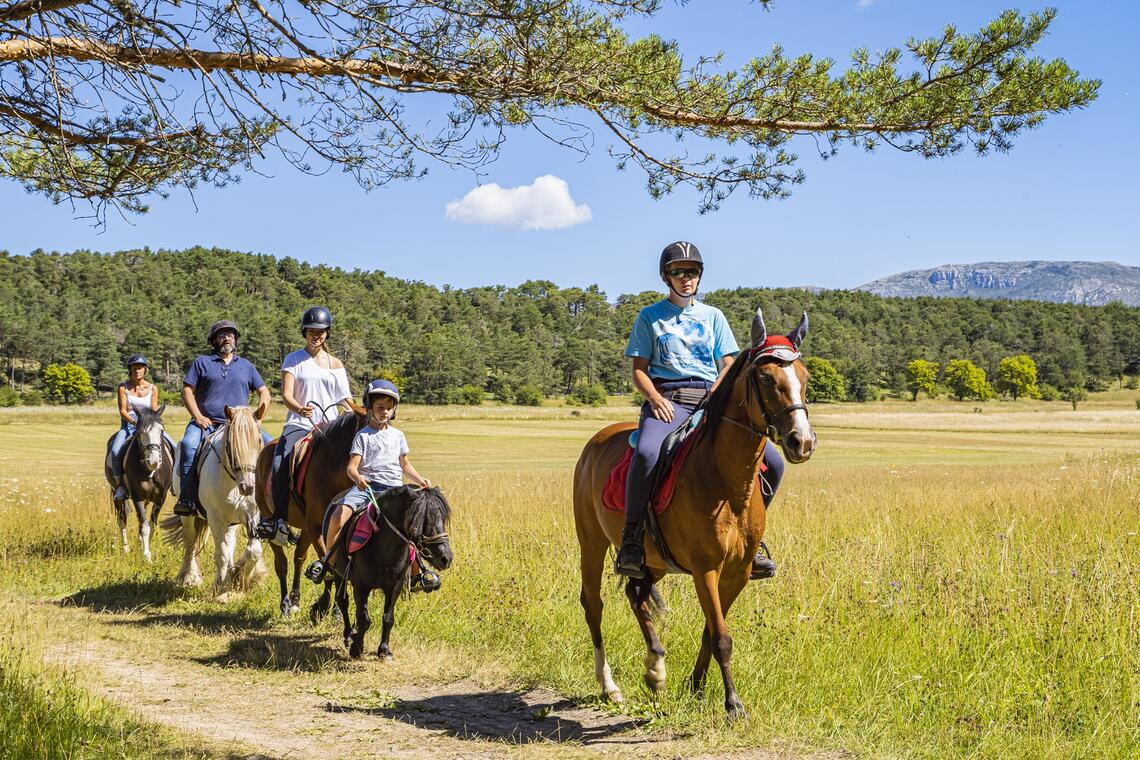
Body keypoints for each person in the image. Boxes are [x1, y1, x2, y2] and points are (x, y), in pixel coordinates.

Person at [613, 241, 784, 580]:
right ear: (667, 277)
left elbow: (729, 363)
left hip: (710, 399)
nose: (686, 278)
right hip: (668, 399)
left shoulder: (713, 316)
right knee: (647, 453)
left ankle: (752, 540)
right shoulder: (649, 317)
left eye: (692, 272)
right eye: (679, 272)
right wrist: (654, 399)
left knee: (775, 463)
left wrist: (718, 392)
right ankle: (632, 538)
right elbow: (638, 369)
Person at [304, 379, 432, 584]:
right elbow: (351, 468)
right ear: (370, 407)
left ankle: (419, 573)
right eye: (380, 407)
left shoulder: (398, 436)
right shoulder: (363, 436)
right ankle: (329, 563)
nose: (385, 412)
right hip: (368, 488)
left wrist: (419, 479)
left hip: (394, 489)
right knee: (339, 513)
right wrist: (358, 478)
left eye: (389, 408)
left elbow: (405, 465)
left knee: (416, 521)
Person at [257, 306, 353, 546]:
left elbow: (346, 400)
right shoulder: (294, 359)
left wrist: (359, 413)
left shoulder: (336, 364)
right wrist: (299, 408)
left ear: (327, 333)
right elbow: (286, 395)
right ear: (304, 332)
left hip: (330, 427)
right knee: (281, 459)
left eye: (320, 331)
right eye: (311, 331)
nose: (315, 335)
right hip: (300, 424)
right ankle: (277, 517)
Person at [173, 320, 272, 516]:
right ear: (214, 341)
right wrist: (198, 416)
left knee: (272, 448)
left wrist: (258, 418)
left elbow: (265, 392)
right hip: (206, 423)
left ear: (235, 339)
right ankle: (187, 498)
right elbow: (187, 391)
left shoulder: (246, 366)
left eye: (231, 334)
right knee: (188, 445)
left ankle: (273, 505)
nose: (227, 338)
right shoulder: (202, 362)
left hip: (240, 426)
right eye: (222, 335)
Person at [109, 354, 174, 501]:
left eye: (139, 368)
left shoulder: (152, 388)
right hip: (129, 426)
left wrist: (150, 424)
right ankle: (120, 486)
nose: (136, 371)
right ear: (130, 370)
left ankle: (174, 483)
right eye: (133, 368)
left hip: (150, 427)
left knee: (175, 447)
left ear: (145, 370)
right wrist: (135, 423)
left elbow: (154, 411)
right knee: (115, 450)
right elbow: (122, 411)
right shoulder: (123, 387)